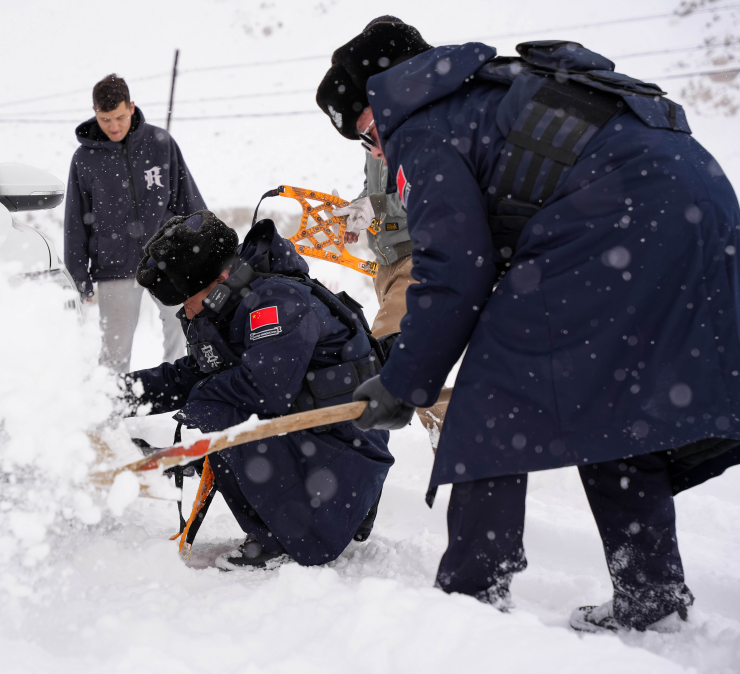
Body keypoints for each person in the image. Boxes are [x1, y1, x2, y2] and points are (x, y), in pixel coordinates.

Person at [316, 19, 740, 632]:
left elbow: (454, 270)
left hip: (612, 218)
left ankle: (470, 598)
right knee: (616, 401)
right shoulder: (490, 91)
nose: (376, 152)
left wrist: (403, 382)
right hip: (702, 206)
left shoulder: (421, 126)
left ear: (381, 98)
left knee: (490, 401)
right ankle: (650, 594)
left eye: (365, 134)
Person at [124, 209, 394, 570]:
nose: (187, 315)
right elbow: (195, 373)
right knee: (217, 403)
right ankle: (290, 527)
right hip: (321, 453)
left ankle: (287, 539)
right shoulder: (234, 302)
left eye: (188, 302)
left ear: (220, 280)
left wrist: (200, 404)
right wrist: (118, 395)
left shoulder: (277, 302)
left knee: (222, 412)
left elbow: (265, 391)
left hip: (345, 461)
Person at [322, 16, 451, 442]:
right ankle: (453, 436)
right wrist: (359, 209)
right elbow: (377, 189)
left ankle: (348, 452)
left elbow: (423, 189)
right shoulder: (374, 141)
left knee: (379, 359)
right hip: (388, 263)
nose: (371, 143)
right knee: (414, 370)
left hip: (418, 256)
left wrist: (375, 205)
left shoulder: (420, 128)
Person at [64, 74, 205, 373]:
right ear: (94, 112)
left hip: (168, 260)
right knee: (114, 351)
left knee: (183, 333)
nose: (113, 126)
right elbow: (75, 222)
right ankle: (112, 402)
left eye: (120, 117)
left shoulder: (160, 144)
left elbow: (189, 201)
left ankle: (176, 392)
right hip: (114, 265)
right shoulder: (84, 158)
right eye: (105, 119)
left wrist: (207, 253)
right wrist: (79, 276)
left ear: (132, 107)